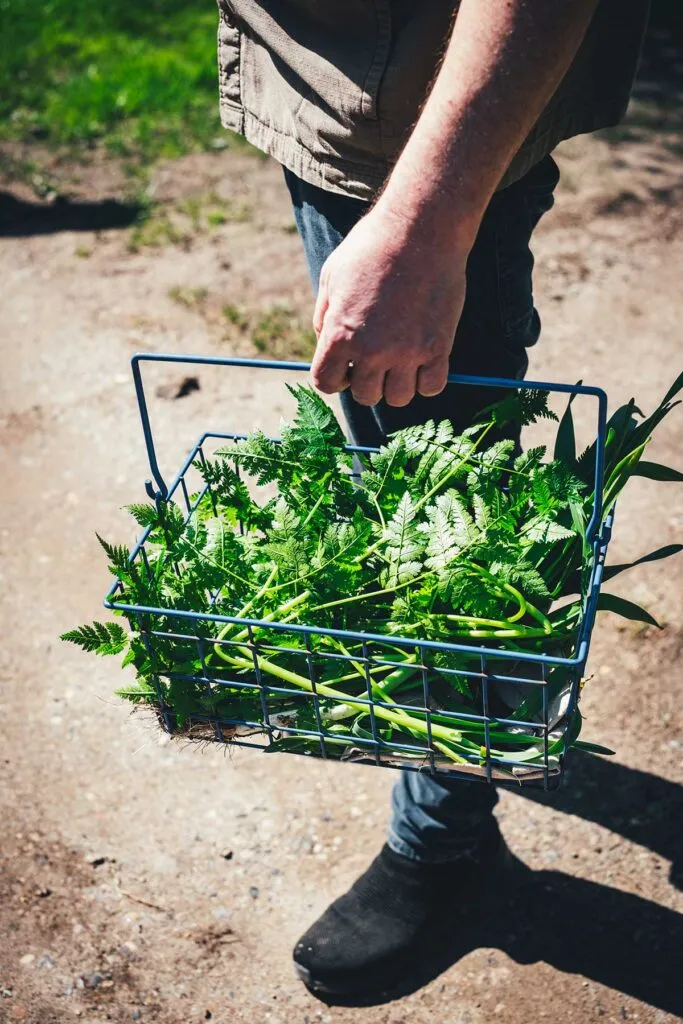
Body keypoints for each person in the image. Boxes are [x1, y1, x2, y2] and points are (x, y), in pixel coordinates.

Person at [216, 0, 649, 1000]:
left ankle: (443, 846)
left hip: (420, 123)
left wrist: (424, 223)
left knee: (450, 545)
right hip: (344, 95)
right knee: (392, 477)